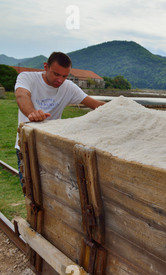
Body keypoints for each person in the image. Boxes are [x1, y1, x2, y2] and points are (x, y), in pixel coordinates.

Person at [14, 51, 106, 187]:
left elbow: (96, 105)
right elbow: (22, 95)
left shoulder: (68, 87)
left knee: (55, 193)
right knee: (31, 191)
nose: (60, 80)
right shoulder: (27, 77)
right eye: (56, 74)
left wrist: (125, 109)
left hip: (53, 148)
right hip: (27, 147)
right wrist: (32, 113)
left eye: (65, 76)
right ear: (46, 67)